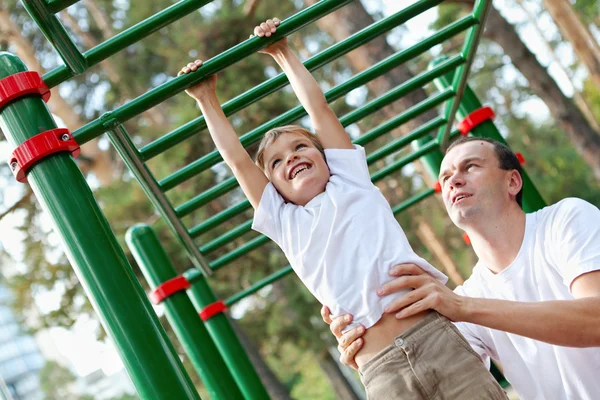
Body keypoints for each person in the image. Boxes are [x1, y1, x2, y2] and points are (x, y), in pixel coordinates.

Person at [178, 17, 507, 400]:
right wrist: (205, 98)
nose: (292, 159)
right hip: (378, 366)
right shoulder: (285, 222)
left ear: (324, 156)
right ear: (272, 187)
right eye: (276, 162)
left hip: (434, 338)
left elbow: (319, 110)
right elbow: (236, 161)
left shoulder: (349, 180)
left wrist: (282, 52)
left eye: (301, 148)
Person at [323, 136, 600, 399]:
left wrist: (464, 307)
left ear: (513, 181)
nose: (453, 180)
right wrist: (371, 352)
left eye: (470, 166)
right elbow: (436, 382)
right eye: (445, 178)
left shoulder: (565, 219)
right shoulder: (466, 298)